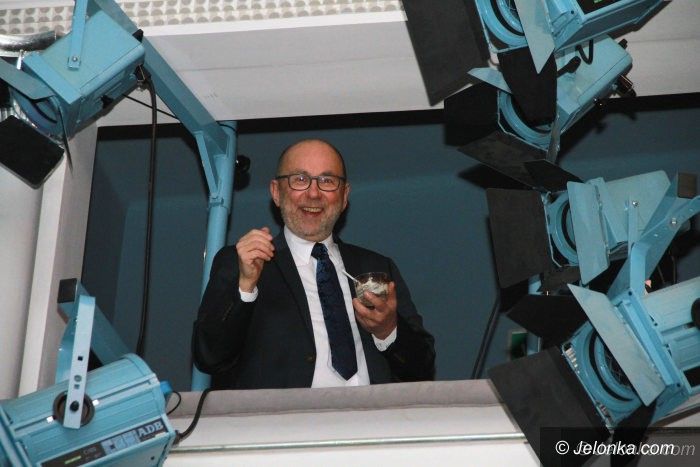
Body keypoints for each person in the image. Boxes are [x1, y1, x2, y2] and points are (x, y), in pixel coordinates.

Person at [192, 139, 435, 389]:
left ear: (344, 196)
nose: (314, 193)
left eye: (327, 181)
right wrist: (245, 288)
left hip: (371, 412)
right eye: (300, 179)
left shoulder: (376, 266)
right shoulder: (242, 261)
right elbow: (209, 357)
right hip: (285, 413)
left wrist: (388, 330)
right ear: (276, 192)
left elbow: (422, 367)